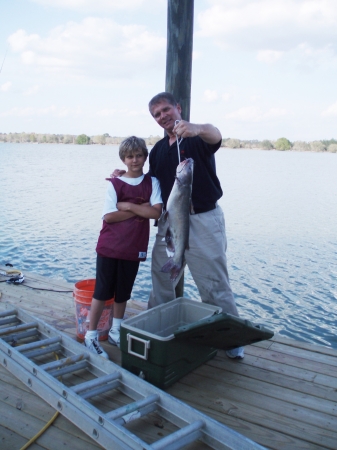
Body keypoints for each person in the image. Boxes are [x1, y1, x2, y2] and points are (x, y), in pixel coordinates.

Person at [147, 92, 244, 359]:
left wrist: (196, 128)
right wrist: (125, 178)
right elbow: (151, 185)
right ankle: (158, 328)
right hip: (169, 224)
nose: (163, 116)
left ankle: (230, 339)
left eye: (167, 109)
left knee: (214, 285)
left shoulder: (197, 138)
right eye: (157, 114)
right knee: (162, 280)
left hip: (203, 220)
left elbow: (216, 135)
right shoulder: (157, 151)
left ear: (178, 108)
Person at [84, 136, 162, 358]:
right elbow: (109, 216)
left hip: (134, 246)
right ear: (123, 159)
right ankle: (91, 335)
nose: (135, 160)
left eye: (139, 155)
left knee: (123, 291)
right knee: (102, 290)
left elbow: (155, 212)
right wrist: (141, 207)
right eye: (130, 156)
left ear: (145, 157)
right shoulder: (115, 183)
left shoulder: (152, 183)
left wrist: (127, 205)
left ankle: (115, 330)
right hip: (109, 246)